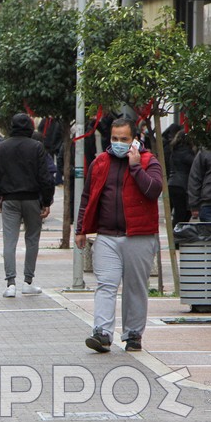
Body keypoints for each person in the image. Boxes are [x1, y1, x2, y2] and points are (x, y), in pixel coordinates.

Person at [75, 117, 162, 353]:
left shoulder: (148, 161)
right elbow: (87, 197)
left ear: (135, 139)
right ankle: (102, 333)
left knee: (135, 287)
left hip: (139, 235)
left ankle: (133, 335)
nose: (119, 143)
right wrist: (81, 228)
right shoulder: (101, 162)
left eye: (124, 139)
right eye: (115, 139)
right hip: (107, 236)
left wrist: (135, 167)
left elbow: (154, 190)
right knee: (105, 284)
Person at [0, 113, 55, 298]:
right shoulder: (37, 147)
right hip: (32, 199)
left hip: (9, 200)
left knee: (10, 240)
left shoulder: (1, 148)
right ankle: (28, 282)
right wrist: (46, 201)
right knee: (32, 239)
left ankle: (10, 284)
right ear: (30, 127)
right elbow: (45, 176)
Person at [167, 131, 195, 224]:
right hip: (182, 185)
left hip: (172, 183)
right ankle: (176, 233)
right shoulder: (186, 152)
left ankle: (178, 232)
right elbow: (194, 164)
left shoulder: (174, 151)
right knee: (182, 213)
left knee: (181, 212)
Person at [188, 148, 211, 222]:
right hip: (209, 203)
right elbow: (195, 178)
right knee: (210, 232)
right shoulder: (206, 150)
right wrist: (194, 205)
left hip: (209, 202)